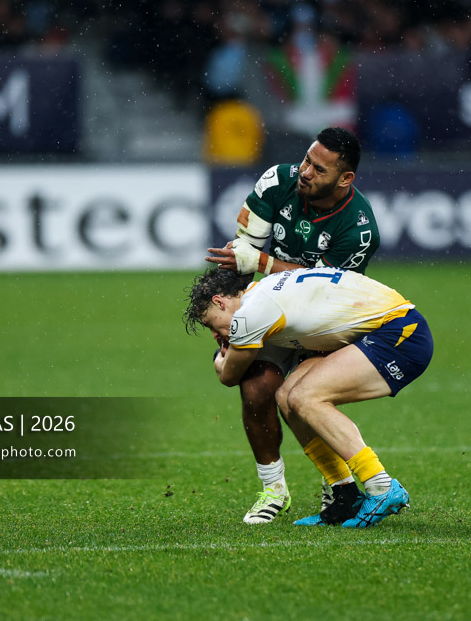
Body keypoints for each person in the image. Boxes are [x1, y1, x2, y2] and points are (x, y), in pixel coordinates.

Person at [205, 127, 381, 524]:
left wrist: (263, 264)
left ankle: (338, 483)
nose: (305, 172)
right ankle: (273, 490)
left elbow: (322, 289)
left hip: (325, 318)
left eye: (319, 169)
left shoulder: (359, 229)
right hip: (270, 308)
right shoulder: (276, 181)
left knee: (304, 398)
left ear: (345, 178)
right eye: (306, 160)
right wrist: (228, 319)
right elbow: (242, 255)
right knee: (256, 388)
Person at [184, 266, 433, 528]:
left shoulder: (251, 313)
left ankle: (381, 486)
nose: (215, 334)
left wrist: (219, 359)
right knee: (286, 397)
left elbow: (229, 376)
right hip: (376, 331)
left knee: (305, 398)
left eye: (210, 324)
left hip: (401, 334)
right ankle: (345, 496)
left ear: (219, 302)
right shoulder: (266, 288)